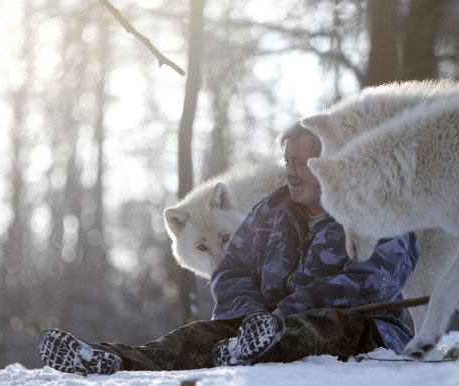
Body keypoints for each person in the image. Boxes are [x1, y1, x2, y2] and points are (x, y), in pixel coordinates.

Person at [37, 123, 420, 376]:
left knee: (327, 325)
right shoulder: (269, 211)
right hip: (261, 325)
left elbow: (372, 282)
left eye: (301, 163)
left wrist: (283, 314)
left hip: (367, 329)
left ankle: (251, 347)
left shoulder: (378, 209)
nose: (290, 172)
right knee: (198, 334)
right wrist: (250, 316)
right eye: (287, 161)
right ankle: (111, 359)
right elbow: (232, 270)